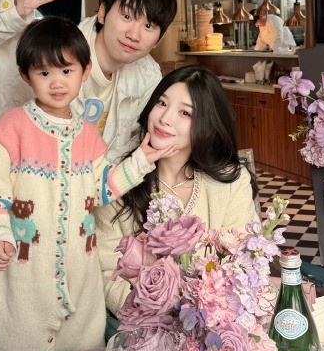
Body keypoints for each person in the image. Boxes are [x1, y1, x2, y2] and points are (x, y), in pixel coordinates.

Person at [0, 16, 177, 351]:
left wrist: (141, 160)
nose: (56, 82)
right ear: (25, 76)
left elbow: (101, 189)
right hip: (26, 279)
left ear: (84, 71)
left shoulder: (88, 136)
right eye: (44, 72)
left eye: (67, 71)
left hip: (83, 282)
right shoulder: (10, 129)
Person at [0, 0, 177, 194]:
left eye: (148, 25)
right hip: (0, 203)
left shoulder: (148, 78)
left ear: (158, 39)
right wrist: (8, 14)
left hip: (79, 214)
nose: (134, 34)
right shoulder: (40, 47)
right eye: (126, 16)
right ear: (102, 12)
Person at [95, 65, 259, 313]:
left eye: (184, 112)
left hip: (213, 324)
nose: (165, 118)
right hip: (141, 325)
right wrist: (154, 317)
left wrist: (198, 318)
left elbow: (243, 263)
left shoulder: (231, 183)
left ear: (207, 125)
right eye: (161, 103)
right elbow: (106, 273)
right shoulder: (119, 181)